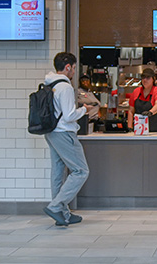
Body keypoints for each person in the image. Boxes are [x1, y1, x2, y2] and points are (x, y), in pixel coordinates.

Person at [42, 52, 98, 226]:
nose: (74, 71)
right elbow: (69, 116)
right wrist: (85, 109)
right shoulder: (65, 87)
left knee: (58, 172)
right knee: (81, 171)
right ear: (68, 67)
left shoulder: (51, 83)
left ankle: (63, 214)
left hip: (52, 132)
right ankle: (56, 206)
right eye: (74, 68)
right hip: (64, 133)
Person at [128, 68, 157, 132]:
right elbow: (131, 111)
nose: (145, 80)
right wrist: (129, 127)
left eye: (148, 78)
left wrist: (150, 112)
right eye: (143, 77)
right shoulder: (136, 91)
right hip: (139, 129)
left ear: (153, 79)